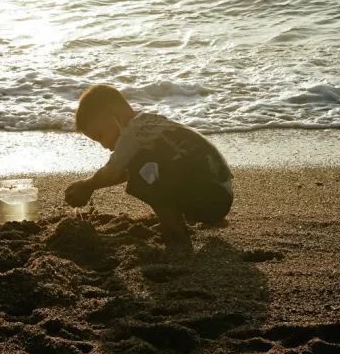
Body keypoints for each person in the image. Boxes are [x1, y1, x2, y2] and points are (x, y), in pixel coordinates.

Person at [63, 84, 233, 253]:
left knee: (143, 173)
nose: (104, 145)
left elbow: (113, 171)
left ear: (115, 117)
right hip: (220, 192)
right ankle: (186, 218)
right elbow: (125, 173)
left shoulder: (131, 134)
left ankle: (176, 232)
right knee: (144, 170)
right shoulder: (150, 124)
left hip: (208, 196)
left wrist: (87, 185)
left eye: (100, 136)